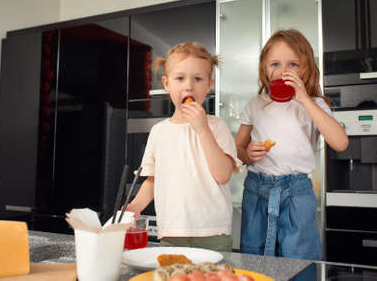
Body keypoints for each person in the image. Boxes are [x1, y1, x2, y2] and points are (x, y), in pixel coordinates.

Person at [235, 29, 349, 260]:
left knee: (298, 258)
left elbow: (340, 143)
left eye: (293, 65)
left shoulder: (314, 104)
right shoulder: (254, 104)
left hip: (296, 193)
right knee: (254, 257)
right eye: (274, 64)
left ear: (306, 69)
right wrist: (247, 154)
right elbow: (237, 150)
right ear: (264, 69)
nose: (283, 71)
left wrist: (305, 99)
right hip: (256, 191)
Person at [126, 42, 241, 252]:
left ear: (208, 85)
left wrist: (202, 129)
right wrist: (134, 207)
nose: (189, 86)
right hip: (172, 233)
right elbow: (153, 180)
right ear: (167, 83)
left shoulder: (216, 126)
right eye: (180, 78)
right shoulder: (159, 132)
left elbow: (223, 175)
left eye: (198, 79)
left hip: (212, 233)